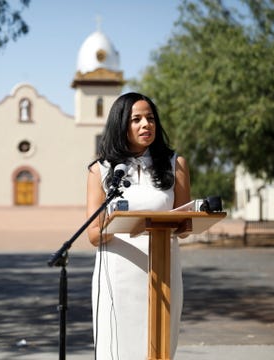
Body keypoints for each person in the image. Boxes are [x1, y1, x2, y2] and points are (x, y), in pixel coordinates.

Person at [86, 92, 191, 359]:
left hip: (163, 268)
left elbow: (186, 225)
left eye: (151, 118)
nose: (146, 124)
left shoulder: (175, 164)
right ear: (121, 124)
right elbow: (93, 234)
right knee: (117, 346)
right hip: (118, 274)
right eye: (137, 119)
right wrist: (122, 226)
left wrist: (173, 224)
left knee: (161, 344)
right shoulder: (101, 170)